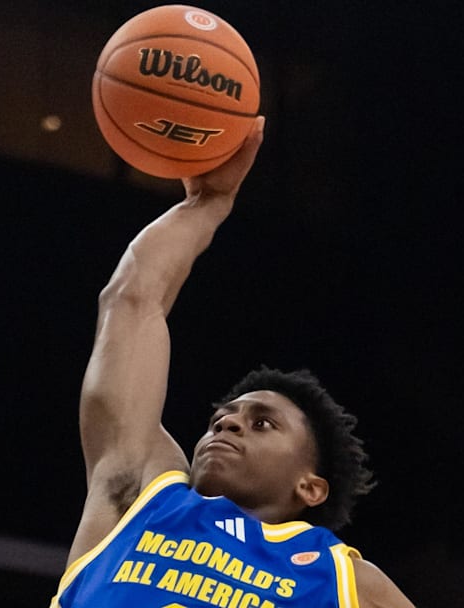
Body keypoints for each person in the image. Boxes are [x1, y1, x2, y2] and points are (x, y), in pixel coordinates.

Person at [51, 117, 415, 608]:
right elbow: (132, 301)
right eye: (222, 416)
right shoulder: (138, 496)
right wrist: (204, 207)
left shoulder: (342, 580)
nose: (228, 424)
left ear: (309, 486)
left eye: (262, 423)